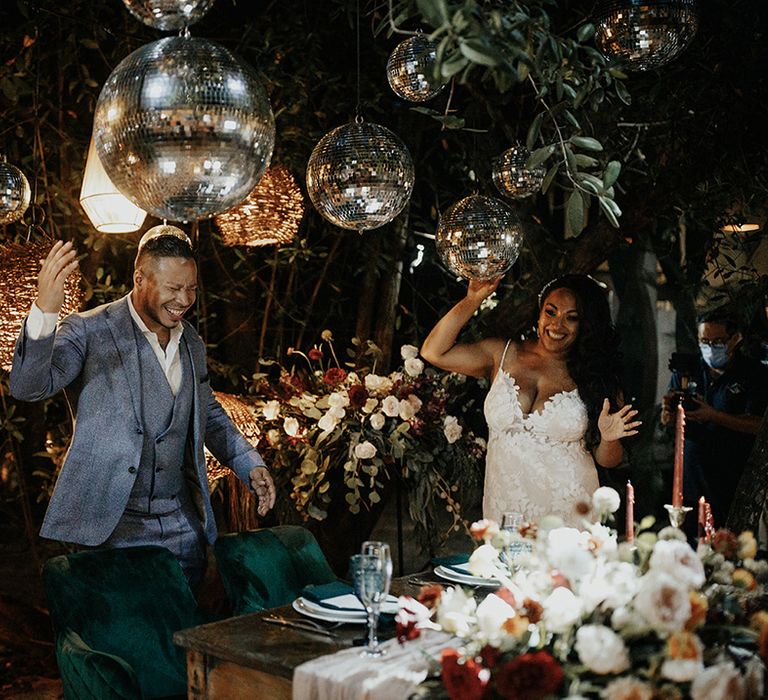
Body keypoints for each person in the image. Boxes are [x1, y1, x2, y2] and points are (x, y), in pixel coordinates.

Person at [10, 231, 275, 587]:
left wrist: (250, 463)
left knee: (179, 632)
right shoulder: (87, 330)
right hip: (112, 525)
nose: (184, 300)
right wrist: (45, 311)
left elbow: (208, 414)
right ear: (139, 279)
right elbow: (28, 388)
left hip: (183, 525)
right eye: (173, 288)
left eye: (191, 288)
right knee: (127, 637)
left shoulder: (191, 342)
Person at [421, 273, 640, 526]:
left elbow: (608, 460)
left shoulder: (597, 376)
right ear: (539, 313)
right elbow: (433, 351)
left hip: (568, 514)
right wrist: (474, 299)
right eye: (551, 312)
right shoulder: (502, 354)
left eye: (571, 318)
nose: (557, 325)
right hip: (505, 511)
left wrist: (609, 438)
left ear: (585, 325)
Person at [661, 308, 768, 532]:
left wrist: (713, 415)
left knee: (728, 553)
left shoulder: (754, 374)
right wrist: (668, 415)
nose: (710, 347)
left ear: (735, 338)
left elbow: (759, 425)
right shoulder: (687, 370)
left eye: (717, 341)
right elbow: (670, 415)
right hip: (690, 481)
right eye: (704, 341)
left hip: (732, 482)